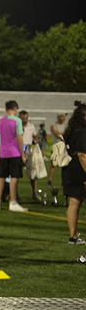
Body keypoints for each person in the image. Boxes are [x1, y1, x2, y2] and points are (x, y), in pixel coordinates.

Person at [0, 100, 27, 212]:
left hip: (3, 153)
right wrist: (23, 154)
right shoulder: (17, 120)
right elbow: (19, 137)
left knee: (1, 177)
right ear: (15, 109)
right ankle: (13, 202)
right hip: (14, 153)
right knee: (14, 177)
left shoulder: (0, 121)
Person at [61, 103, 86, 247]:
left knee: (74, 203)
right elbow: (82, 155)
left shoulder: (70, 130)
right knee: (76, 203)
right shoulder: (82, 132)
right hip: (80, 170)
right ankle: (73, 236)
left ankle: (73, 236)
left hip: (69, 169)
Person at [20, 110, 40, 200]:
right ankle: (14, 194)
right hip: (19, 149)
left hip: (28, 149)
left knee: (33, 172)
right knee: (16, 172)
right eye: (23, 118)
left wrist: (36, 141)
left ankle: (35, 192)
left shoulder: (31, 126)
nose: (25, 120)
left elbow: (35, 136)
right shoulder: (16, 126)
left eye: (26, 118)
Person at [48, 113, 67, 185]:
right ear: (58, 117)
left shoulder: (66, 126)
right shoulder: (54, 125)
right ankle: (49, 180)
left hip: (63, 147)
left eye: (64, 116)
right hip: (56, 147)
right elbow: (57, 133)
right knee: (53, 164)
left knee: (65, 165)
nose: (63, 118)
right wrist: (62, 135)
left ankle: (64, 180)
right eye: (62, 116)